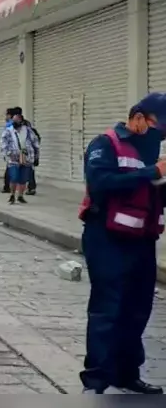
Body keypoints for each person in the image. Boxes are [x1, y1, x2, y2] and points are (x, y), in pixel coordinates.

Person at [78, 93, 166, 395]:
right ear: (139, 118)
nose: (161, 135)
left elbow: (154, 194)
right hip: (107, 238)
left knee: (137, 310)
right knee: (107, 310)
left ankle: (127, 374)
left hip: (142, 240)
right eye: (159, 127)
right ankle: (96, 382)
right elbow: (101, 182)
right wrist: (153, 172)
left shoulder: (151, 150)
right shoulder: (105, 144)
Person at [0, 108, 39, 205]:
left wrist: (36, 155)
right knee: (14, 177)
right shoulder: (9, 131)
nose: (16, 122)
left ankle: (20, 195)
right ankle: (12, 194)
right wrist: (7, 153)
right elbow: (3, 143)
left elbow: (35, 142)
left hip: (27, 157)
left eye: (18, 120)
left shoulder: (28, 131)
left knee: (23, 179)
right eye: (14, 120)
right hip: (13, 158)